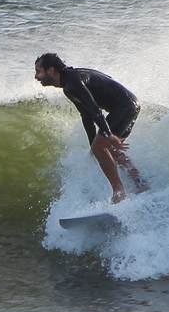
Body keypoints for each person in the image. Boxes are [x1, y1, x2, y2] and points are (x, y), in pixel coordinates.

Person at [34, 53, 148, 203]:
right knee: (106, 150)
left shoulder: (72, 83)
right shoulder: (68, 86)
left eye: (39, 71)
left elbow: (95, 111)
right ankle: (140, 183)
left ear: (51, 70)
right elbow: (86, 116)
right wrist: (92, 145)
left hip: (125, 106)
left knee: (101, 147)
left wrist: (107, 135)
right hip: (129, 106)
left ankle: (119, 192)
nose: (36, 77)